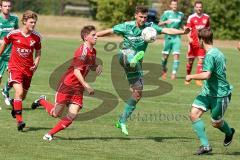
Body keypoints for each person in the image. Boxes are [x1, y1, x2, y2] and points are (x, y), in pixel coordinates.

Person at [97, 6, 189, 135]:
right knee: (129, 55)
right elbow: (110, 31)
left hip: (136, 64)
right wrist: (94, 35)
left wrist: (182, 33)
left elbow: (166, 30)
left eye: (145, 17)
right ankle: (133, 58)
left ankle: (122, 121)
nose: (143, 19)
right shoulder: (127, 26)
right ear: (135, 16)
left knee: (137, 93)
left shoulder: (149, 27)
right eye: (141, 17)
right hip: (124, 56)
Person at [31, 25, 102, 141]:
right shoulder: (81, 51)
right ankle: (41, 101)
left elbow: (89, 65)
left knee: (72, 115)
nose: (97, 37)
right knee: (55, 114)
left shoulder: (93, 51)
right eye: (93, 35)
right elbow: (77, 71)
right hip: (67, 85)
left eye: (96, 34)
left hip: (78, 88)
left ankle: (49, 134)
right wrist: (86, 85)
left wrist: (96, 67)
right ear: (85, 37)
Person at [186, 28, 235, 155]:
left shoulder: (210, 55)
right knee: (193, 114)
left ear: (202, 40)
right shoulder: (218, 52)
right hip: (207, 92)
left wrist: (191, 76)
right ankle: (205, 145)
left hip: (220, 95)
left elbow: (206, 75)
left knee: (216, 123)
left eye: (198, 39)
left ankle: (229, 132)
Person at [0, 10, 42, 131]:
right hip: (14, 68)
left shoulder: (36, 37)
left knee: (22, 97)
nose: (33, 24)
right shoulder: (14, 34)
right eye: (31, 22)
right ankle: (20, 121)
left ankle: (14, 104)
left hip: (28, 70)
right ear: (24, 22)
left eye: (34, 22)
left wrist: (36, 63)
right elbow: (4, 44)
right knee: (18, 92)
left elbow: (38, 51)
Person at [185, 0, 210, 86]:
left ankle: (198, 80)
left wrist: (207, 40)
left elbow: (208, 30)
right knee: (190, 62)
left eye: (200, 7)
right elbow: (187, 29)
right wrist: (189, 38)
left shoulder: (206, 17)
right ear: (195, 8)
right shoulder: (191, 17)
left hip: (202, 43)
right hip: (192, 43)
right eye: (197, 7)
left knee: (201, 60)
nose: (199, 8)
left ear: (202, 7)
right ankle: (188, 76)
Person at [158, 0, 184, 80]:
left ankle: (174, 74)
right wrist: (166, 21)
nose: (174, 6)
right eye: (173, 4)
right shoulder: (166, 13)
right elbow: (159, 23)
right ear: (170, 5)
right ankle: (164, 70)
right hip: (168, 37)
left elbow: (182, 25)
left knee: (176, 55)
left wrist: (186, 30)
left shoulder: (181, 15)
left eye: (176, 4)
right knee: (165, 57)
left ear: (177, 5)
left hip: (177, 37)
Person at [0, 0, 18, 105]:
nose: (7, 8)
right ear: (0, 7)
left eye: (9, 6)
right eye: (5, 6)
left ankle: (5, 90)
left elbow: (16, 33)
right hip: (0, 54)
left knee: (14, 77)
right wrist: (2, 41)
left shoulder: (14, 19)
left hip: (11, 54)